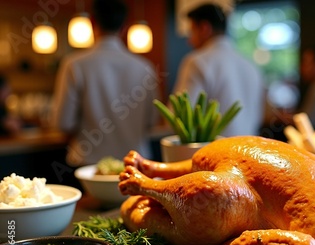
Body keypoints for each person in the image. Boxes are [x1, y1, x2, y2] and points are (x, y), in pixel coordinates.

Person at [50, 0, 160, 167]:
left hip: (88, 164)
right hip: (135, 162)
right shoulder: (145, 67)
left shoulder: (74, 64)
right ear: (124, 27)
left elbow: (62, 123)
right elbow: (152, 120)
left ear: (93, 22)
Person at [172, 3, 265, 137]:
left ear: (204, 28)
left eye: (191, 32)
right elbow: (258, 118)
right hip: (248, 152)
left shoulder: (197, 62)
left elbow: (179, 118)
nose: (189, 41)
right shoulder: (250, 65)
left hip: (211, 155)